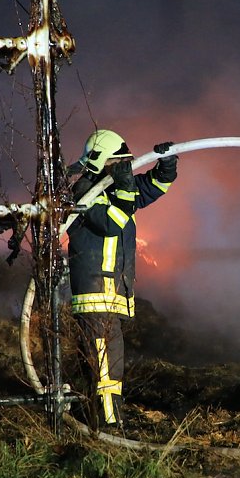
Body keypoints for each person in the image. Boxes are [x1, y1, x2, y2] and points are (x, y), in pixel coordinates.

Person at [67, 129, 178, 430]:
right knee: (106, 360)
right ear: (104, 161)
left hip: (111, 291)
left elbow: (154, 186)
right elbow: (113, 222)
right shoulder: (84, 191)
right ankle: (108, 424)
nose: (127, 167)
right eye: (121, 162)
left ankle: (95, 415)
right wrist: (126, 188)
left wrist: (165, 164)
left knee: (104, 357)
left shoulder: (117, 187)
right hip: (95, 291)